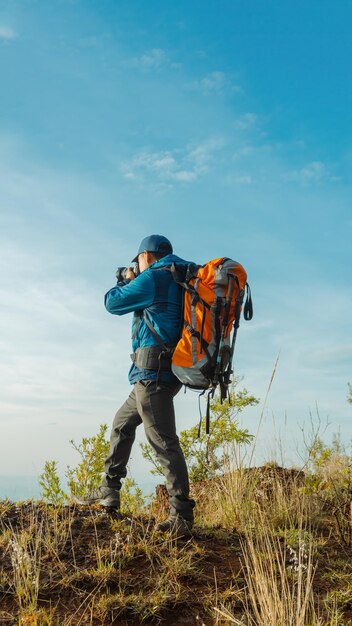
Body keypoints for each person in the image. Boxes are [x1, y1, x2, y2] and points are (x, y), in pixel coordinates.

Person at [77, 234, 195, 537]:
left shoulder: (154, 278)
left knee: (164, 442)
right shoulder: (181, 277)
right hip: (161, 373)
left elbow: (112, 303)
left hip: (151, 374)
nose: (135, 265)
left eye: (137, 260)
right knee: (122, 425)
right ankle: (109, 490)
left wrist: (125, 280)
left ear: (147, 256)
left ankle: (181, 515)